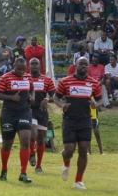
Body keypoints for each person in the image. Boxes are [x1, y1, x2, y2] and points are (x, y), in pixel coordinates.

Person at [54, 57, 102, 190]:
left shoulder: (93, 83)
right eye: (81, 63)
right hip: (69, 120)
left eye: (86, 64)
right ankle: (66, 163)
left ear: (88, 67)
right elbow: (56, 97)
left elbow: (100, 100)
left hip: (85, 120)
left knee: (83, 150)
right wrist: (62, 104)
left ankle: (78, 181)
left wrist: (95, 104)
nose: (84, 66)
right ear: (75, 65)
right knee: (69, 150)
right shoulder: (66, 81)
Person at [0, 58, 34, 183]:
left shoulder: (28, 77)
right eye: (19, 69)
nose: (21, 72)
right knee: (7, 144)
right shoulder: (5, 78)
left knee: (25, 141)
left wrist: (32, 96)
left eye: (23, 69)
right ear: (13, 66)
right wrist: (11, 97)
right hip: (8, 114)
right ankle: (4, 170)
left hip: (24, 112)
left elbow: (32, 88)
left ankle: (23, 173)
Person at [27, 58, 56, 174]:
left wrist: (47, 99)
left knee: (41, 140)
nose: (34, 66)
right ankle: (31, 153)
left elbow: (55, 96)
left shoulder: (47, 79)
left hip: (42, 112)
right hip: (30, 111)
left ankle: (38, 166)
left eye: (36, 64)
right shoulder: (25, 78)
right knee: (33, 134)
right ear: (28, 66)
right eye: (32, 64)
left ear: (40, 66)